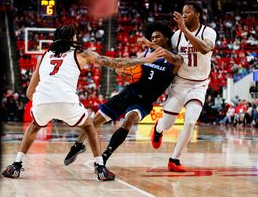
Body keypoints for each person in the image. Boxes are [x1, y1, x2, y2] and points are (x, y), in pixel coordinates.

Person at [1, 26, 164, 181]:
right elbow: (115, 63)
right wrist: (145, 60)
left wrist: (45, 100)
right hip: (66, 100)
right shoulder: (81, 53)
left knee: (34, 126)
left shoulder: (44, 56)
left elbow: (30, 92)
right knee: (89, 126)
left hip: (42, 100)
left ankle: (16, 165)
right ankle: (100, 167)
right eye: (75, 36)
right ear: (72, 38)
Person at [63, 22, 183, 166]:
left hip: (144, 101)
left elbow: (175, 59)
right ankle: (78, 145)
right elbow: (132, 65)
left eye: (157, 37)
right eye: (152, 38)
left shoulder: (174, 60)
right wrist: (123, 71)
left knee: (129, 119)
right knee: (94, 122)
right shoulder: (147, 53)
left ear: (167, 38)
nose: (154, 40)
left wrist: (150, 44)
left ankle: (106, 155)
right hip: (129, 92)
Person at [151, 1, 217, 172]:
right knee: (167, 124)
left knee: (190, 122)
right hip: (179, 83)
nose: (184, 14)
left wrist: (185, 31)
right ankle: (158, 128)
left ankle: (174, 159)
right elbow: (171, 58)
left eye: (187, 12)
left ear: (197, 15)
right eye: (182, 12)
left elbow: (204, 49)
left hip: (199, 85)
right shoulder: (175, 36)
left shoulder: (208, 32)